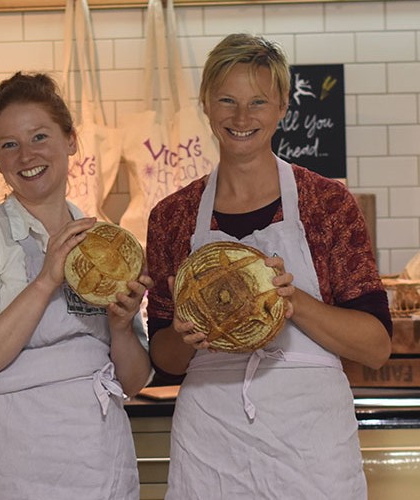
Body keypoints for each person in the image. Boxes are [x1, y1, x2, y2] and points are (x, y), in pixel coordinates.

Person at [146, 33, 393, 499]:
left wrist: (290, 300)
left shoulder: (327, 204)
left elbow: (376, 347)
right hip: (211, 446)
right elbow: (164, 360)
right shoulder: (173, 216)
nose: (241, 118)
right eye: (227, 100)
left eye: (258, 101)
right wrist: (183, 335)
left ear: (282, 106)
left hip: (311, 449)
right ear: (205, 103)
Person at [0, 72, 153, 500]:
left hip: (98, 454)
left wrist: (123, 326)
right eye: (9, 145)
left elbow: (133, 381)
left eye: (39, 136)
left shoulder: (104, 246)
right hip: (17, 460)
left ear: (71, 140)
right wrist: (47, 279)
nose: (25, 156)